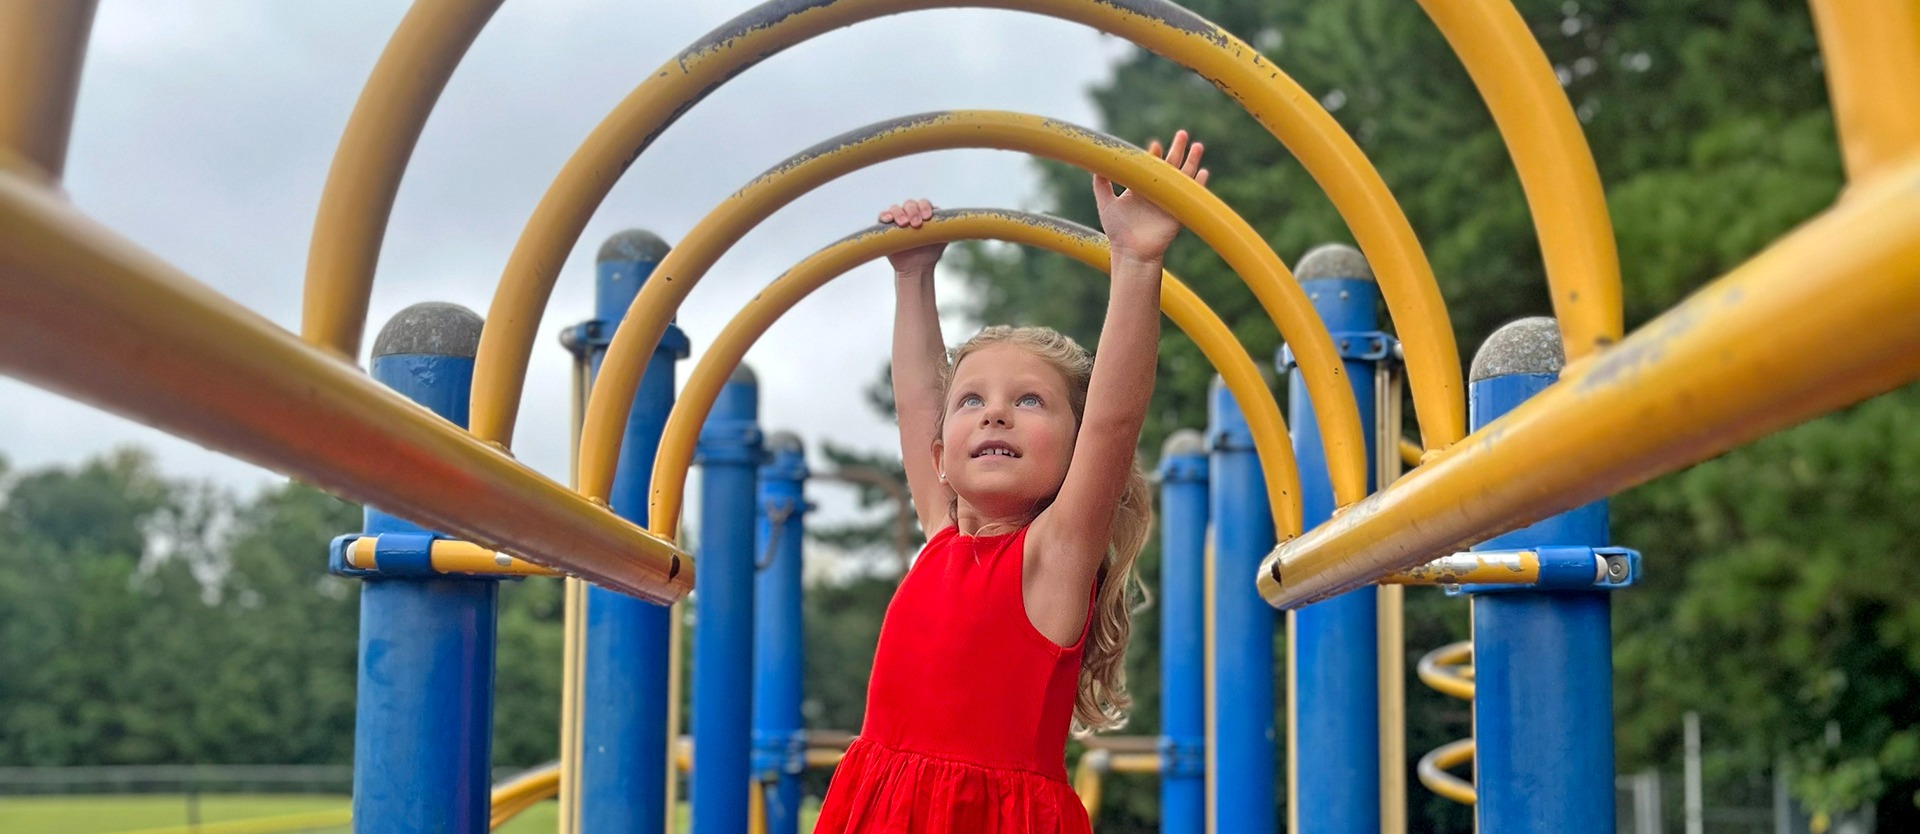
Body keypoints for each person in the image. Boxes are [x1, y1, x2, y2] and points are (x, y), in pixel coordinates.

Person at [813, 132, 1209, 833]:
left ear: (1074, 452)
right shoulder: (941, 536)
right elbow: (916, 404)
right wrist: (911, 276)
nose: (995, 410)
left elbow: (1115, 420)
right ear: (942, 452)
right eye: (972, 400)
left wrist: (1136, 262)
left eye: (1029, 401)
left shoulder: (1051, 558)